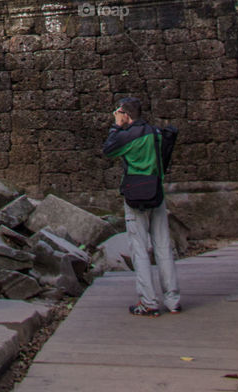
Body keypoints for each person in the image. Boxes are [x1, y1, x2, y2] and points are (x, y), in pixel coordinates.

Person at [103, 95, 181, 316]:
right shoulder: (156, 134)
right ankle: (173, 299)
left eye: (119, 114)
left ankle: (148, 300)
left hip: (136, 195)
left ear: (126, 115)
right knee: (163, 246)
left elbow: (108, 149)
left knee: (139, 248)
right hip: (156, 192)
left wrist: (115, 126)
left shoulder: (127, 136)